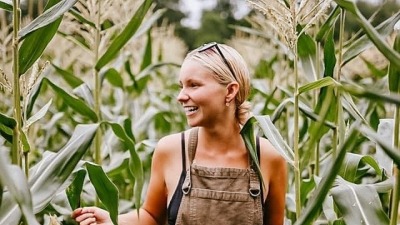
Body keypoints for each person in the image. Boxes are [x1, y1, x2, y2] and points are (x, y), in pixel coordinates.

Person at [72, 42, 287, 225]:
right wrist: (113, 220)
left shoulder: (268, 157)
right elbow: (152, 217)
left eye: (194, 85)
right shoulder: (171, 150)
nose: (181, 96)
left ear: (230, 91)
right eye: (181, 86)